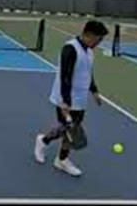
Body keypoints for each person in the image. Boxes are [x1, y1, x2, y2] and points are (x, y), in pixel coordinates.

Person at [34, 20, 109, 177]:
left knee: (69, 129)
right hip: (65, 97)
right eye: (99, 39)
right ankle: (61, 158)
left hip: (80, 99)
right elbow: (65, 77)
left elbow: (88, 72)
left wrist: (94, 91)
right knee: (70, 130)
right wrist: (66, 102)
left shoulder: (89, 52)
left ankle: (45, 142)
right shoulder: (70, 49)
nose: (100, 43)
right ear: (90, 35)